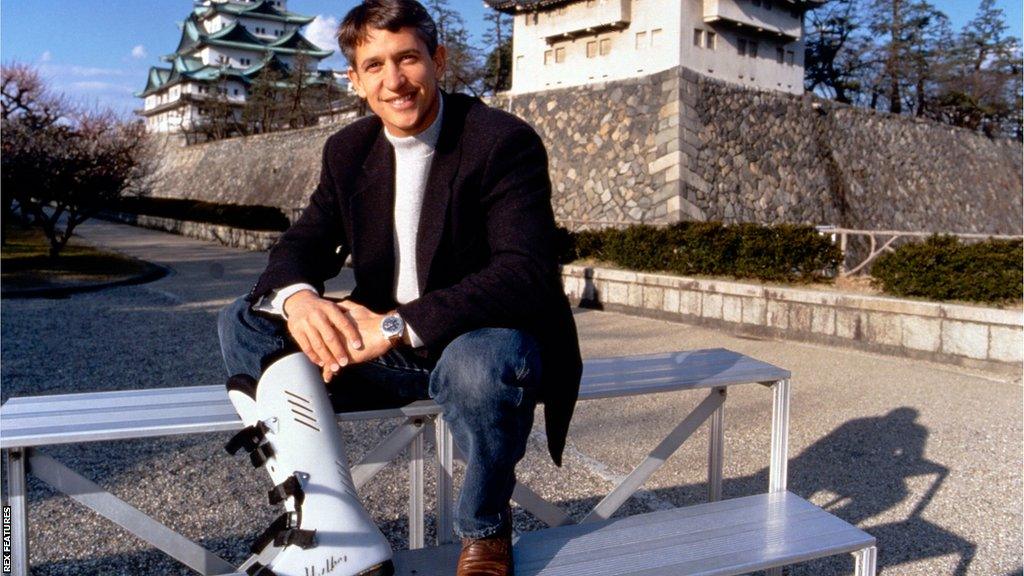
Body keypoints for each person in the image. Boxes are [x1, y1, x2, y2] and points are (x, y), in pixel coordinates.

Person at [217, 1, 582, 575]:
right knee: (244, 318)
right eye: (375, 65)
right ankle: (329, 524)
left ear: (437, 60)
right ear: (355, 80)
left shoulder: (499, 141)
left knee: (481, 364)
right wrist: (303, 300)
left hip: (477, 339)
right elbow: (300, 246)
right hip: (383, 355)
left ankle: (485, 532)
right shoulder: (349, 151)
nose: (395, 80)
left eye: (408, 58)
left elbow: (525, 271)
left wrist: (392, 326)